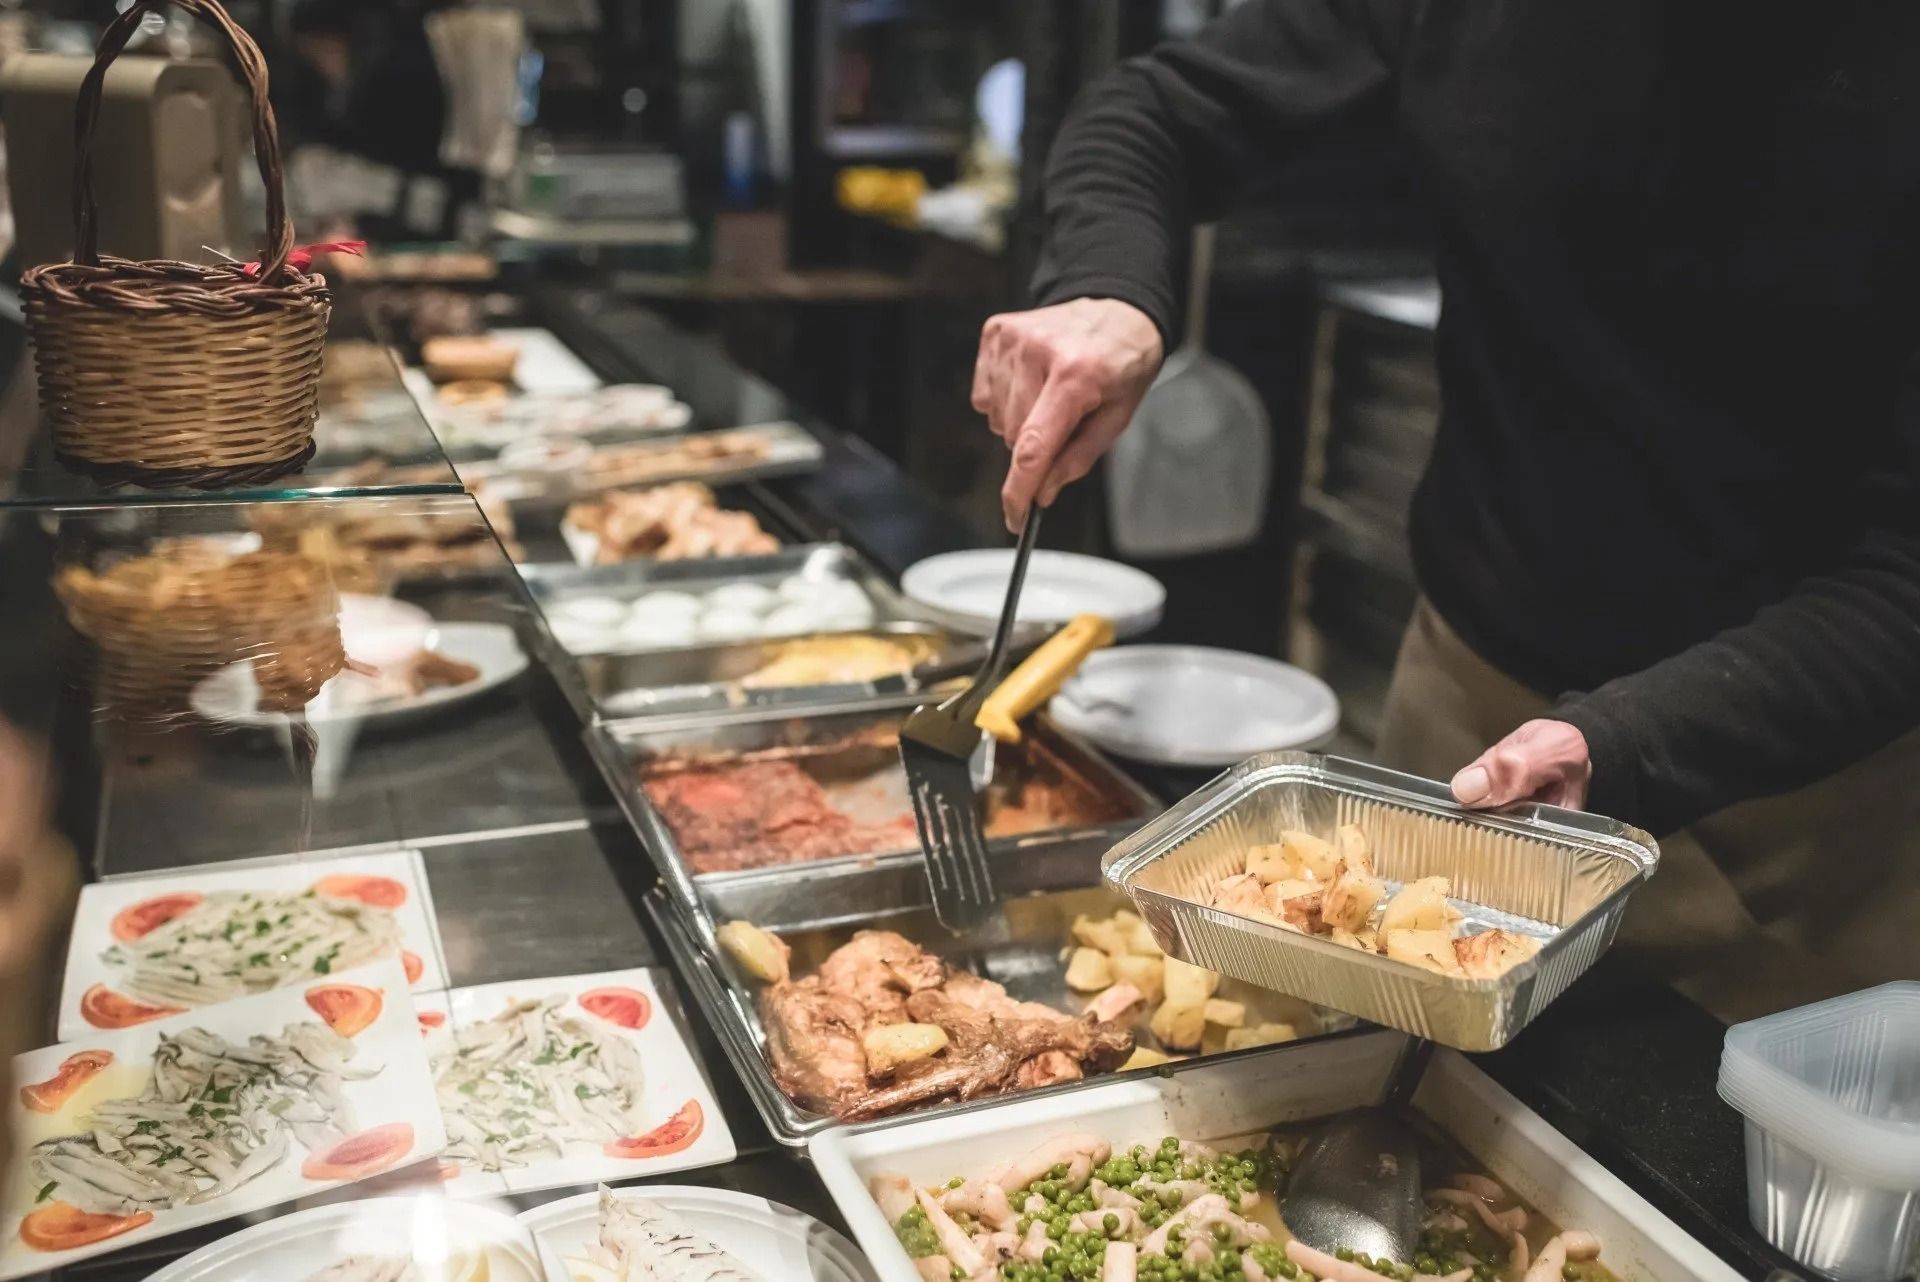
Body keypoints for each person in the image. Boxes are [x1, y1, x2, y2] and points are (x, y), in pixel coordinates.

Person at [971, 1, 1920, 1020]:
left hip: (1803, 796)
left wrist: (1636, 737)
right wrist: (1109, 287)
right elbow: (1155, 109)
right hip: (1476, 709)